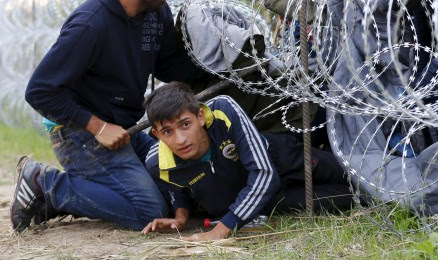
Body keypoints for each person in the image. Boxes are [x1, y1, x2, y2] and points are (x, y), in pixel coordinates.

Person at [11, 0, 202, 232]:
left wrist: (224, 70)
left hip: (124, 128)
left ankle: (59, 200)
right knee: (148, 210)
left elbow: (169, 65)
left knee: (177, 186)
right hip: (78, 132)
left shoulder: (156, 14)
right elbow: (39, 91)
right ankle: (46, 184)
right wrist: (97, 127)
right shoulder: (90, 25)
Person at [141, 82, 355, 240]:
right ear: (156, 134)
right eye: (167, 131)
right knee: (354, 198)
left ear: (199, 116)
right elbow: (179, 189)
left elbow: (264, 173)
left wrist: (222, 229)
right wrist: (180, 217)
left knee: (355, 173)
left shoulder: (222, 110)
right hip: (270, 200)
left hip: (283, 160)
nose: (180, 139)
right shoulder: (156, 163)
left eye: (185, 124)